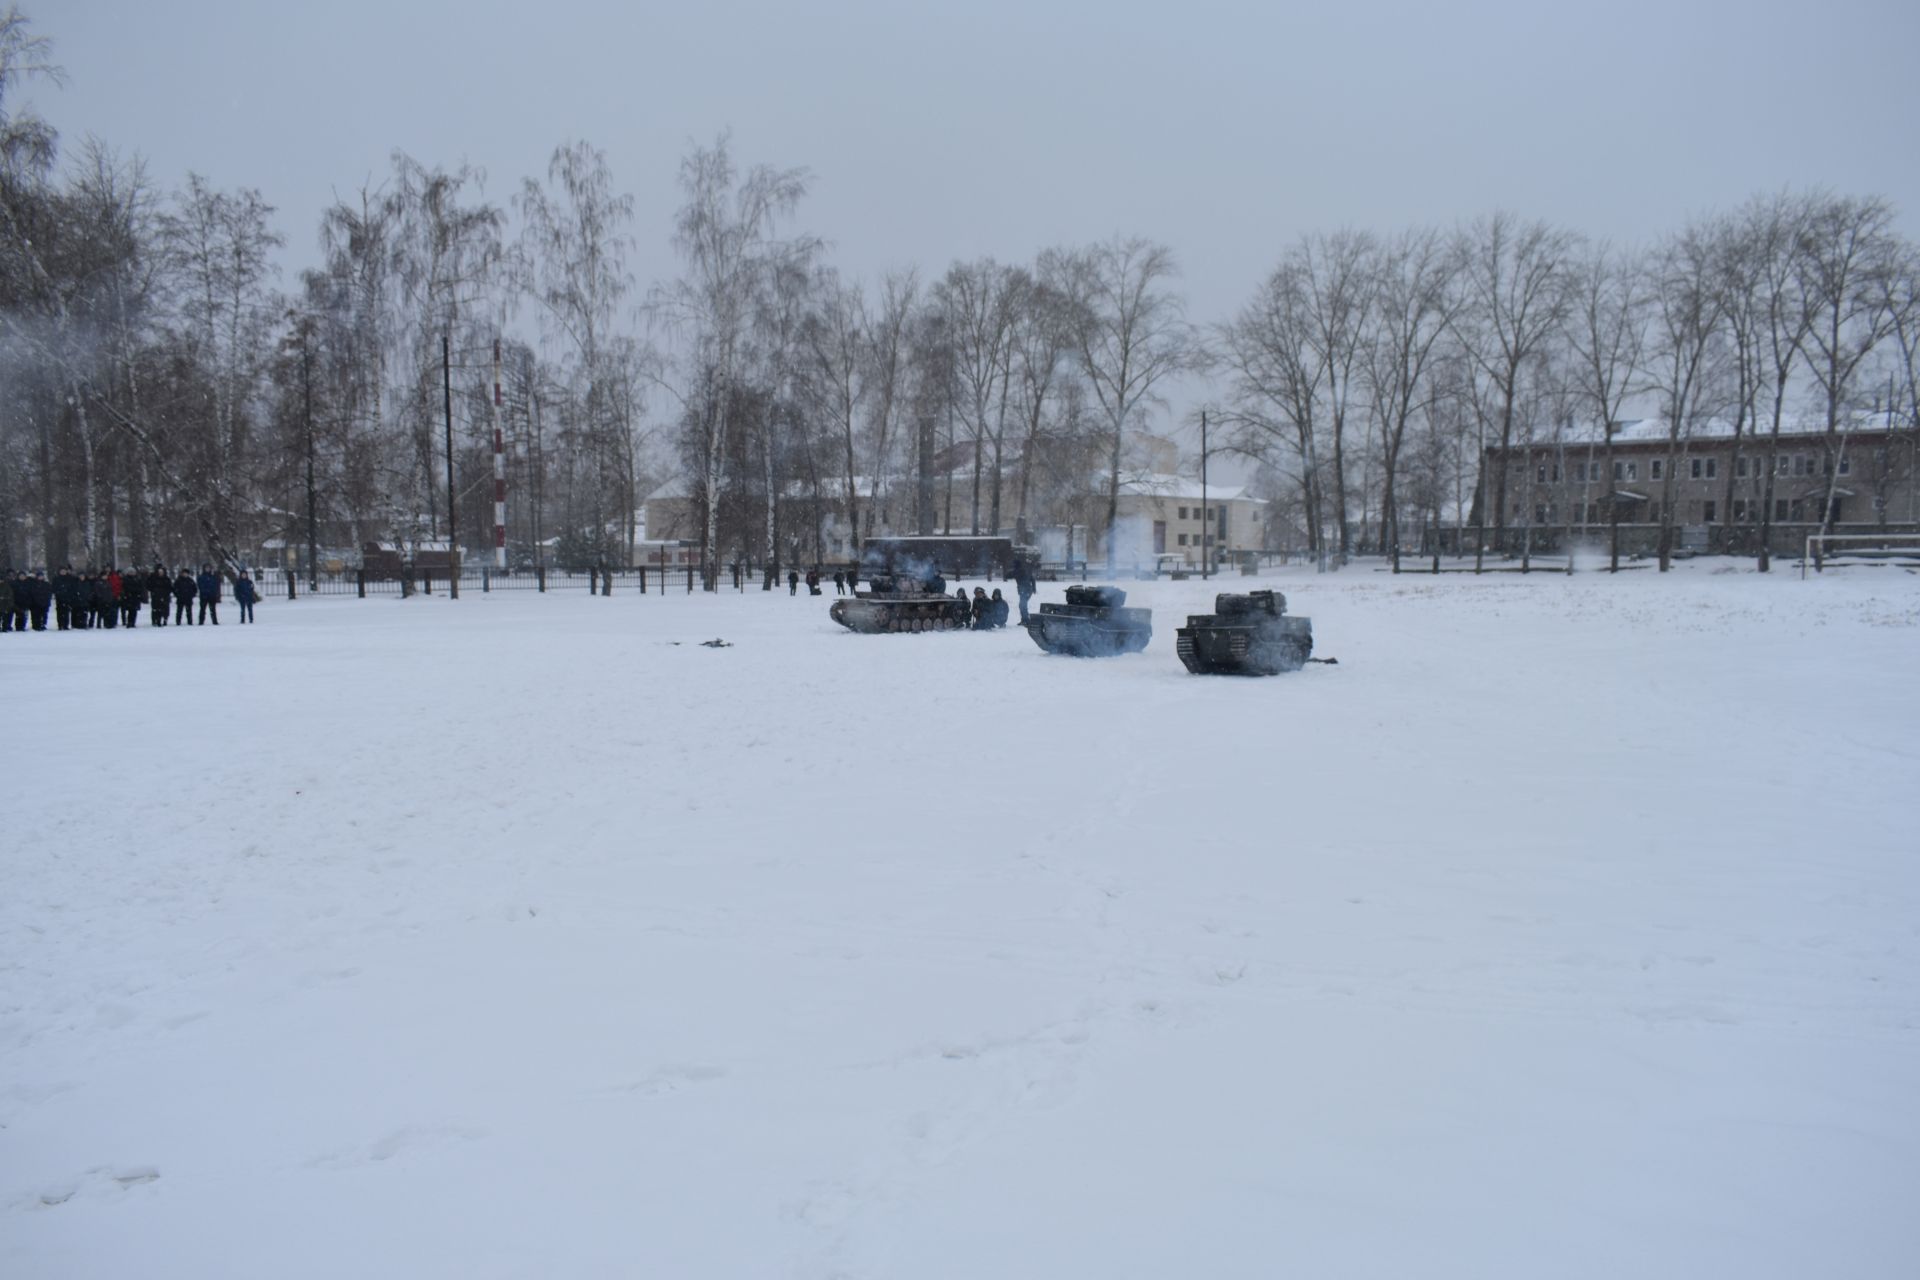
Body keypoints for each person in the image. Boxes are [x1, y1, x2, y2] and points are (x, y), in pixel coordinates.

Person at [53, 565, 78, 630]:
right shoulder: (56, 578)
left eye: (64, 571)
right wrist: (58, 593)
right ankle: (60, 625)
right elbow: (54, 587)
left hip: (67, 598)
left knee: (66, 612)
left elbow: (72, 587)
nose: (63, 572)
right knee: (59, 612)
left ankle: (65, 625)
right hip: (59, 598)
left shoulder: (70, 578)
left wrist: (70, 595)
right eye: (62, 571)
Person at [1014, 556, 1037, 624]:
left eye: (1014, 565)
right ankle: (1024, 619)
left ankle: (1026, 620)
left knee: (1022, 605)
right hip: (1025, 590)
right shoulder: (1021, 570)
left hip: (1025, 590)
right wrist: (1033, 588)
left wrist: (1033, 588)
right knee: (1022, 605)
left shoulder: (1020, 571)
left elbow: (1032, 579)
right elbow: (1032, 579)